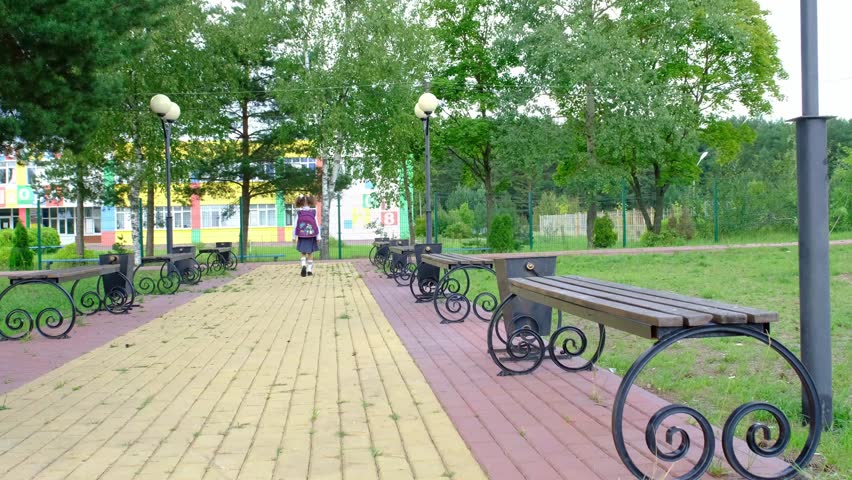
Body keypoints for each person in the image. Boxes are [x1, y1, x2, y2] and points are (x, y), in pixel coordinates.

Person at [293, 195, 320, 277]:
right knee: (310, 253)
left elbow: (295, 225)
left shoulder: (299, 213)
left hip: (302, 235)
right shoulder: (313, 212)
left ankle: (303, 265)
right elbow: (316, 225)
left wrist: (294, 236)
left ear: (300, 203)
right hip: (311, 235)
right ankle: (309, 270)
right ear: (309, 202)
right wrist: (318, 236)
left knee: (303, 252)